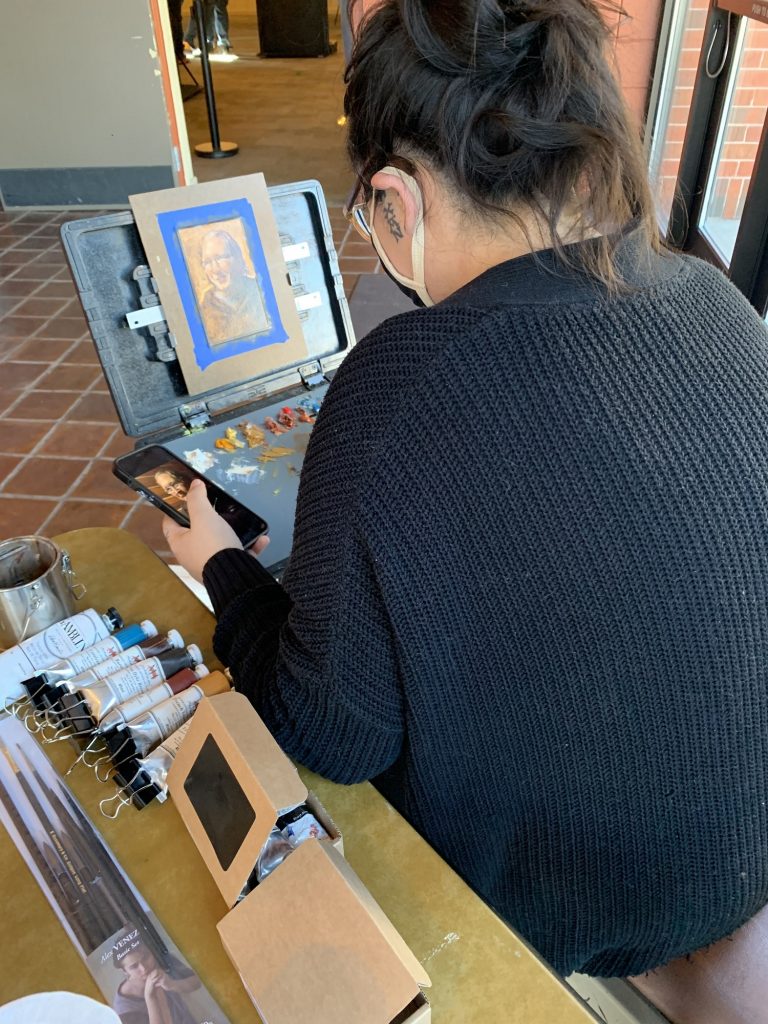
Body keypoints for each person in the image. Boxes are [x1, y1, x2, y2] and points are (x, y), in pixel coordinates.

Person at [163, 1, 768, 1018]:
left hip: (559, 917)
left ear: (395, 201)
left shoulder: (396, 383)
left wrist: (224, 567)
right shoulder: (715, 301)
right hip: (743, 858)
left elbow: (331, 728)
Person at [197, 229, 269, 345]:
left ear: (238, 258)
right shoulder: (205, 306)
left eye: (220, 258)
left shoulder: (259, 290)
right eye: (207, 262)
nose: (215, 269)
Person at [112, 936, 201, 1024]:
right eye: (134, 966)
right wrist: (150, 997)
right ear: (125, 971)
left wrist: (172, 985)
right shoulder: (124, 1007)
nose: (143, 968)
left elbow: (197, 982)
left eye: (146, 958)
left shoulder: (161, 961)